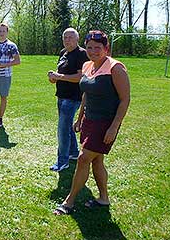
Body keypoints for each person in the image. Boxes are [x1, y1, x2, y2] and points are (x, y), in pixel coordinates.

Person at [53, 30, 130, 215]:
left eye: (98, 48)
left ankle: (69, 202)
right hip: (89, 120)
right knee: (97, 161)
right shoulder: (88, 65)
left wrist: (114, 127)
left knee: (83, 158)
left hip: (105, 122)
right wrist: (80, 118)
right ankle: (104, 198)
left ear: (106, 48)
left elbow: (125, 99)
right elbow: (87, 93)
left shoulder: (116, 67)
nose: (93, 51)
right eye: (89, 47)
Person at [47, 28, 89, 172]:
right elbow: (62, 73)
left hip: (74, 97)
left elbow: (80, 77)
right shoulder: (63, 53)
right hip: (61, 95)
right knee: (67, 125)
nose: (67, 40)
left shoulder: (82, 54)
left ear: (77, 39)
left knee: (63, 129)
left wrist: (59, 77)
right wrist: (54, 77)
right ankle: (73, 153)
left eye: (70, 37)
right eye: (65, 37)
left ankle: (62, 161)